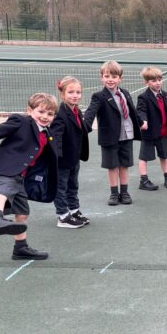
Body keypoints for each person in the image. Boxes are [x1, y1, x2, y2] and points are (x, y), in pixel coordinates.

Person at [0, 92, 59, 260]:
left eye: (50, 114)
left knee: (22, 213)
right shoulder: (21, 121)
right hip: (6, 168)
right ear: (30, 111)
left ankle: (20, 248)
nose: (45, 117)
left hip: (20, 177)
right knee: (3, 192)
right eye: (41, 112)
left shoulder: (46, 133)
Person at [83, 60, 141, 206]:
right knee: (112, 166)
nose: (110, 79)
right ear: (101, 77)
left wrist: (141, 122)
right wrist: (85, 125)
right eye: (107, 76)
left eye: (114, 77)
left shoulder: (125, 93)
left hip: (127, 135)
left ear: (120, 79)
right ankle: (114, 193)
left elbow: (132, 111)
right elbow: (91, 112)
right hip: (110, 137)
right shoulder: (99, 96)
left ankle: (125, 192)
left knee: (124, 165)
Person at [50, 76, 91, 228]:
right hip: (62, 159)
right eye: (71, 92)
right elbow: (56, 137)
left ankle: (74, 210)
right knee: (61, 187)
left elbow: (81, 129)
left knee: (73, 185)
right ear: (62, 94)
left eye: (78, 92)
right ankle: (63, 216)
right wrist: (57, 156)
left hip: (74, 157)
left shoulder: (76, 111)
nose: (75, 95)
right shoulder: (60, 114)